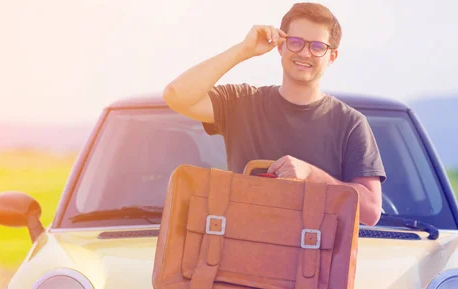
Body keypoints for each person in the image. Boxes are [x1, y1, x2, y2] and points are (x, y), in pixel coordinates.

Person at [162, 2, 386, 226]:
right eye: (295, 42)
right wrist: (243, 50)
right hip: (240, 255)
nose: (305, 53)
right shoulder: (240, 102)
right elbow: (176, 95)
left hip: (315, 256)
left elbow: (371, 212)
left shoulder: (351, 124)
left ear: (332, 56)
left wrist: (311, 175)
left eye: (317, 46)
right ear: (281, 47)